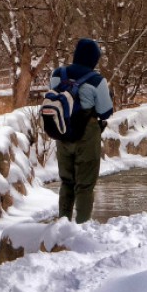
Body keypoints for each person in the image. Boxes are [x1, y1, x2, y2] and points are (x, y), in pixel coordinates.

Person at [50, 38, 114, 223]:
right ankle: (82, 227)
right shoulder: (97, 80)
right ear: (94, 59)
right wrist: (107, 95)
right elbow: (105, 112)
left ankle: (62, 225)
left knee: (67, 182)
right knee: (84, 185)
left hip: (62, 132)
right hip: (87, 135)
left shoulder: (57, 74)